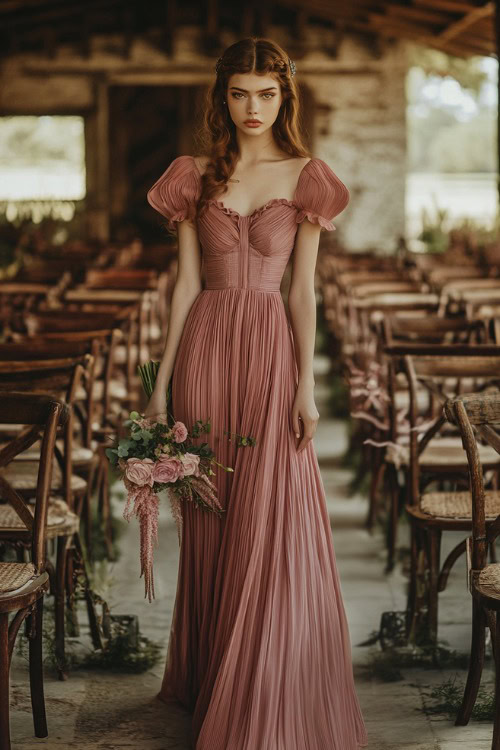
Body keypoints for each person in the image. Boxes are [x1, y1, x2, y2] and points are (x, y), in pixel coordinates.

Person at [145, 35, 368, 750]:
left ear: (284, 98)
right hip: (207, 349)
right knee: (212, 517)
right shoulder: (192, 177)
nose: (252, 106)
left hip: (271, 350)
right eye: (239, 92)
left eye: (265, 94)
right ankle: (214, 675)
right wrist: (160, 387)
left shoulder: (308, 177)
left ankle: (265, 678)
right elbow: (184, 287)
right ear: (222, 97)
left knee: (269, 510)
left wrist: (306, 386)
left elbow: (302, 292)